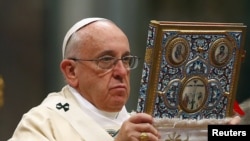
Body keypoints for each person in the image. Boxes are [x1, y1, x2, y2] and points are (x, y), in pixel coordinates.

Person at [8, 17, 241, 141]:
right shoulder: (43, 123)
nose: (121, 71)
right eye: (106, 60)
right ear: (71, 71)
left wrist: (228, 133)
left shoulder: (146, 125)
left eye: (126, 59)